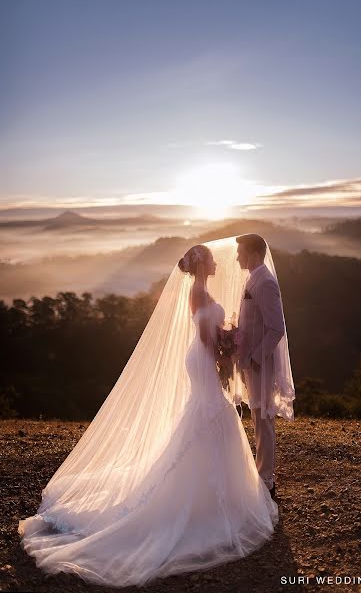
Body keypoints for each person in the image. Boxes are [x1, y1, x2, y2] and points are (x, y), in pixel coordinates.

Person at [18, 237, 286, 588]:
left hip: (203, 360)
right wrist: (224, 347)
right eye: (213, 261)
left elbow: (217, 331)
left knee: (209, 415)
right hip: (204, 358)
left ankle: (214, 487)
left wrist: (225, 342)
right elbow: (207, 335)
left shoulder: (206, 290)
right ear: (203, 265)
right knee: (212, 415)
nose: (222, 263)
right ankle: (213, 494)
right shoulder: (201, 294)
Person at [236, 234, 288, 501]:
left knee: (263, 421)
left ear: (255, 253)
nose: (237, 257)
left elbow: (276, 328)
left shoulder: (266, 282)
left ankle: (267, 482)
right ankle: (262, 475)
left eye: (241, 252)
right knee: (257, 419)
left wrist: (255, 359)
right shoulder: (252, 277)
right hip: (251, 364)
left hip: (261, 366)